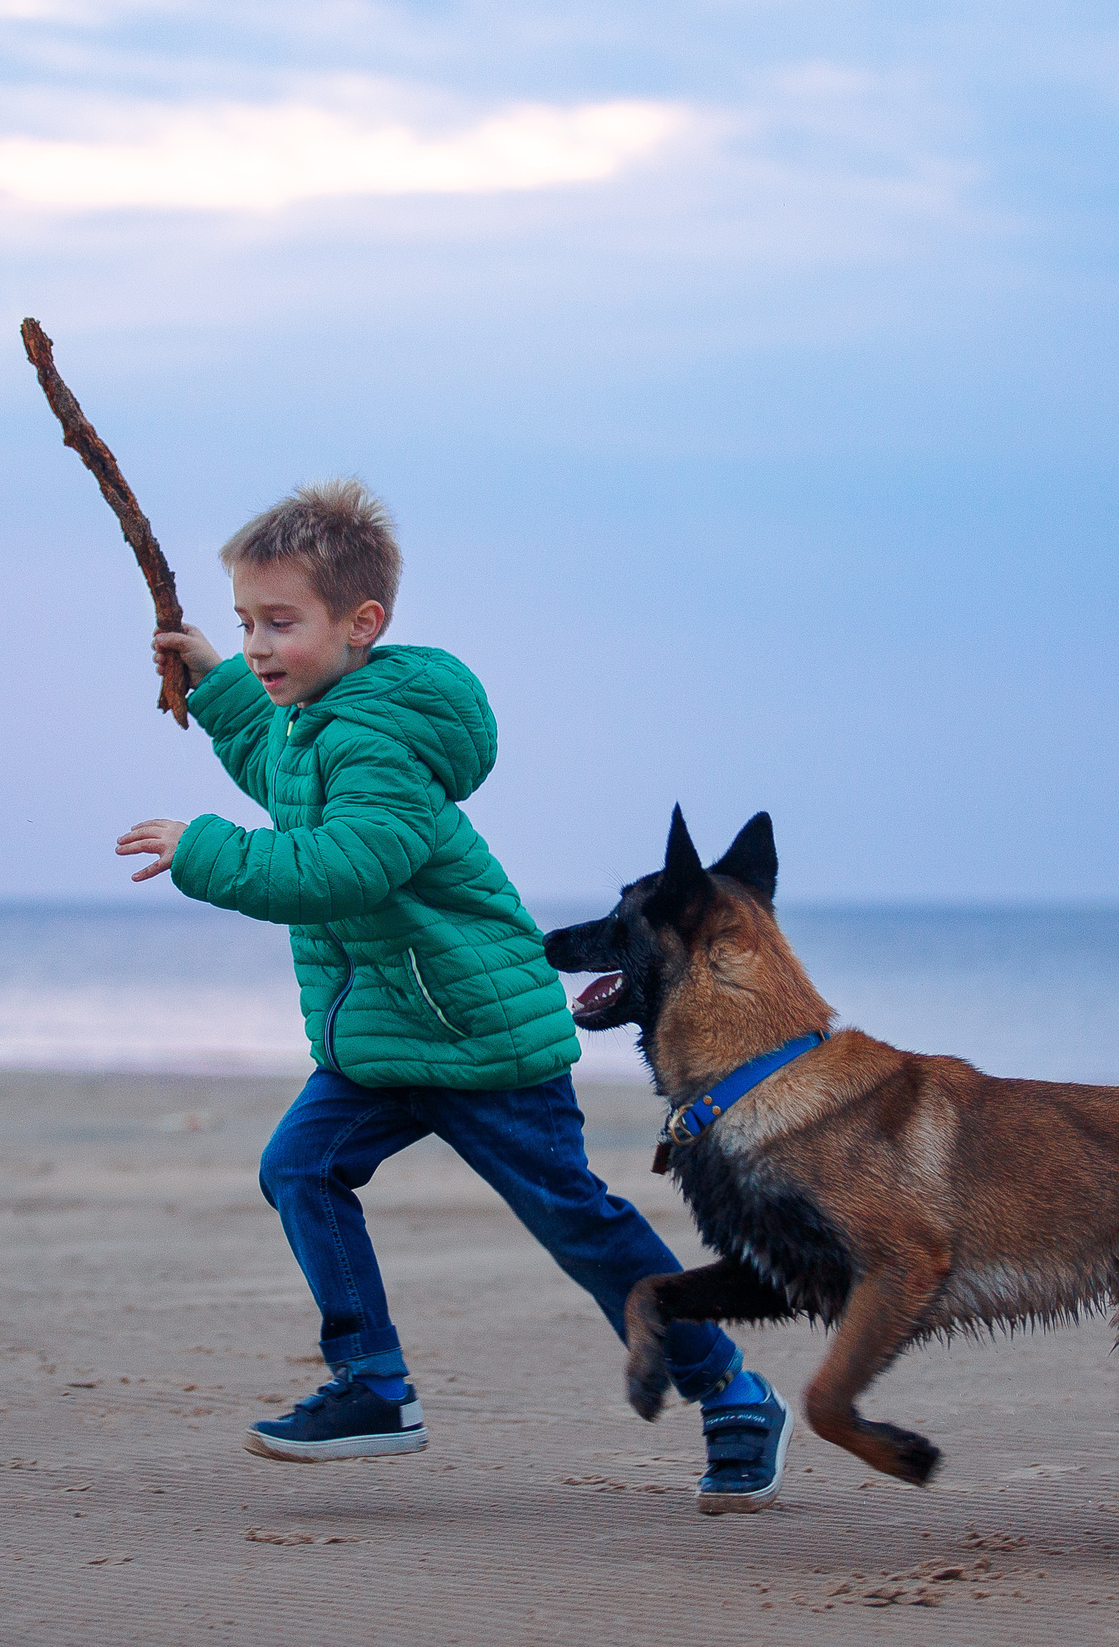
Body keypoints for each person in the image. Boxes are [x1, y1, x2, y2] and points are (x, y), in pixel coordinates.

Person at [113, 478, 790, 1512]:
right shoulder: (313, 721)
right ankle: (373, 1385)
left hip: (479, 1036)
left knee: (577, 1223)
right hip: (386, 1034)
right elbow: (281, 773)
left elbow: (343, 866)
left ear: (361, 624)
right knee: (299, 1167)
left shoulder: (374, 739)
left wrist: (204, 848)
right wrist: (222, 688)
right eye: (246, 623)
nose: (256, 643)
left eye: (280, 624)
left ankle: (731, 1391)